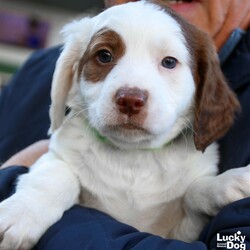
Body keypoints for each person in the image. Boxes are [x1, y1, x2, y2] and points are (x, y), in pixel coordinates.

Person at [0, 0, 249, 249]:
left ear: (203, 90)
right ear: (71, 71)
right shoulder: (34, 73)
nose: (131, 94)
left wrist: (9, 182)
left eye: (169, 62)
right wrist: (40, 193)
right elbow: (58, 170)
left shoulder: (199, 166)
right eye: (104, 56)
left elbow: (233, 245)